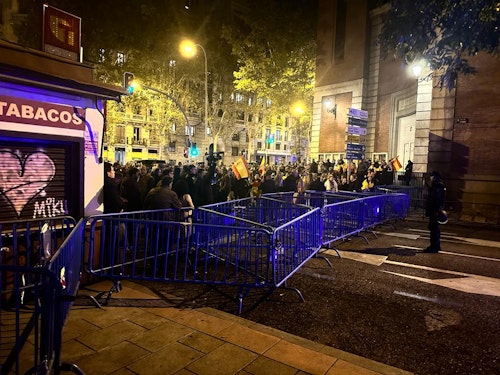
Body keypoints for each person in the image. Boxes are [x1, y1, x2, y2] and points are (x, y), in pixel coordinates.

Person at [424, 171, 446, 253]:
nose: (431, 177)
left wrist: (436, 210)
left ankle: (434, 247)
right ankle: (436, 245)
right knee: (434, 229)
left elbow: (436, 199)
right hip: (434, 210)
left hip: (434, 211)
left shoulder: (438, 186)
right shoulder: (436, 185)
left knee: (434, 229)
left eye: (432, 176)